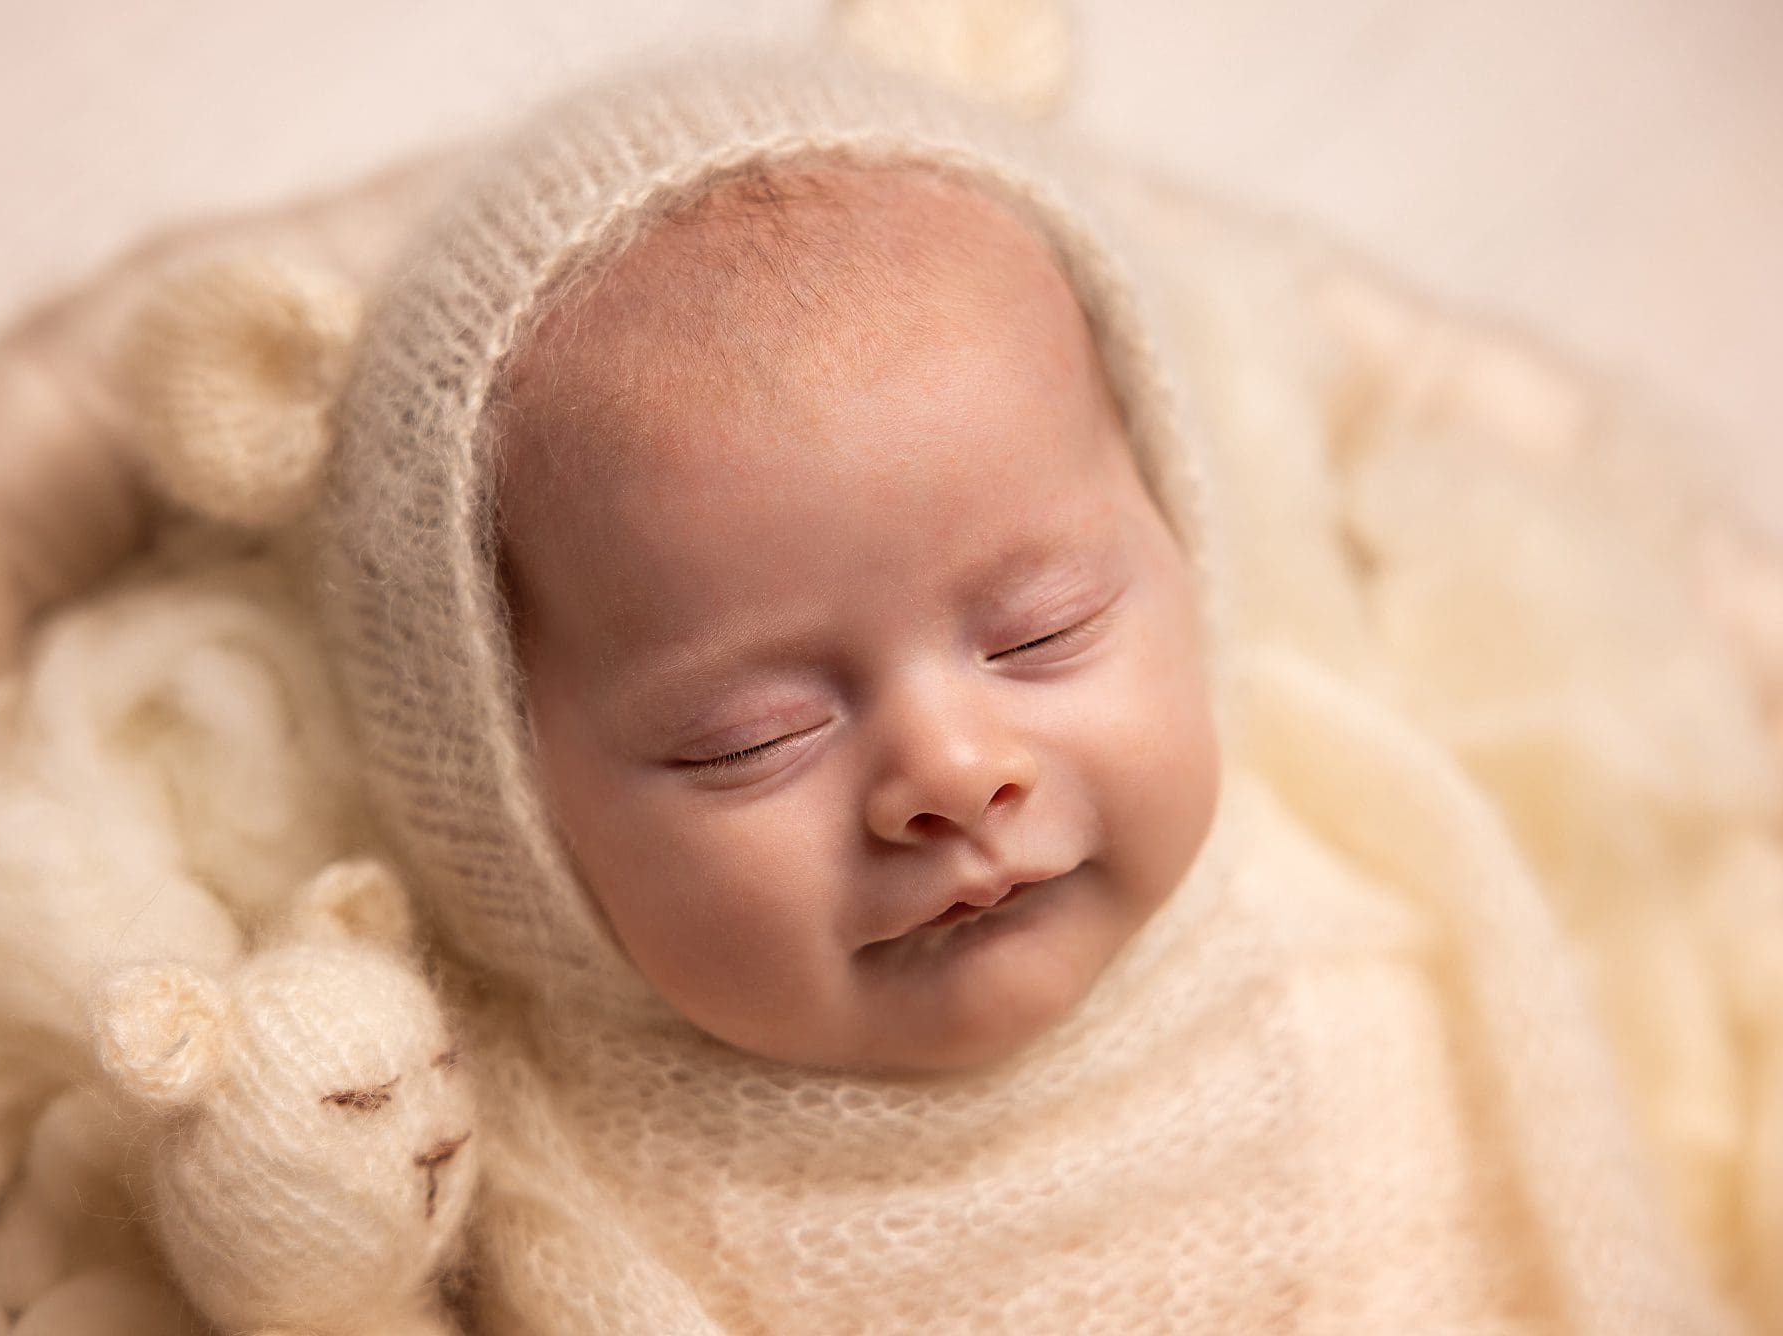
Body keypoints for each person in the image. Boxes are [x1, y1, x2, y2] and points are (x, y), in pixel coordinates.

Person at [131, 48, 1731, 1333]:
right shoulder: (537, 1160)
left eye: (1041, 633)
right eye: (755, 737)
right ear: (508, 823)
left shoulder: (1363, 865)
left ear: (1183, 549)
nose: (955, 770)